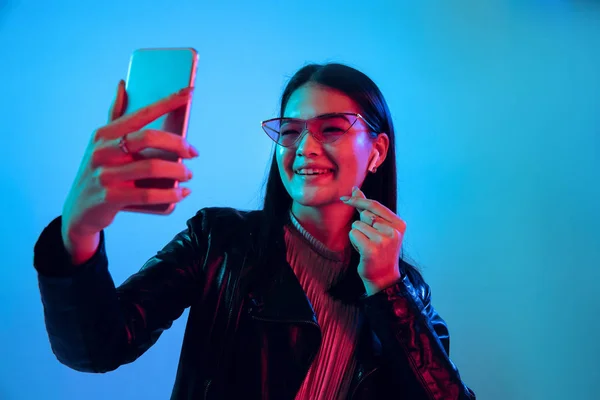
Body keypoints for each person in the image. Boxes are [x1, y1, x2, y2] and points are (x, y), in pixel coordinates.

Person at [33, 63, 476, 399]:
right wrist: (79, 232)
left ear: (377, 151)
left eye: (332, 129)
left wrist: (386, 288)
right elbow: (97, 348)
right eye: (291, 130)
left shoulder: (406, 290)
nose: (305, 148)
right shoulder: (220, 241)